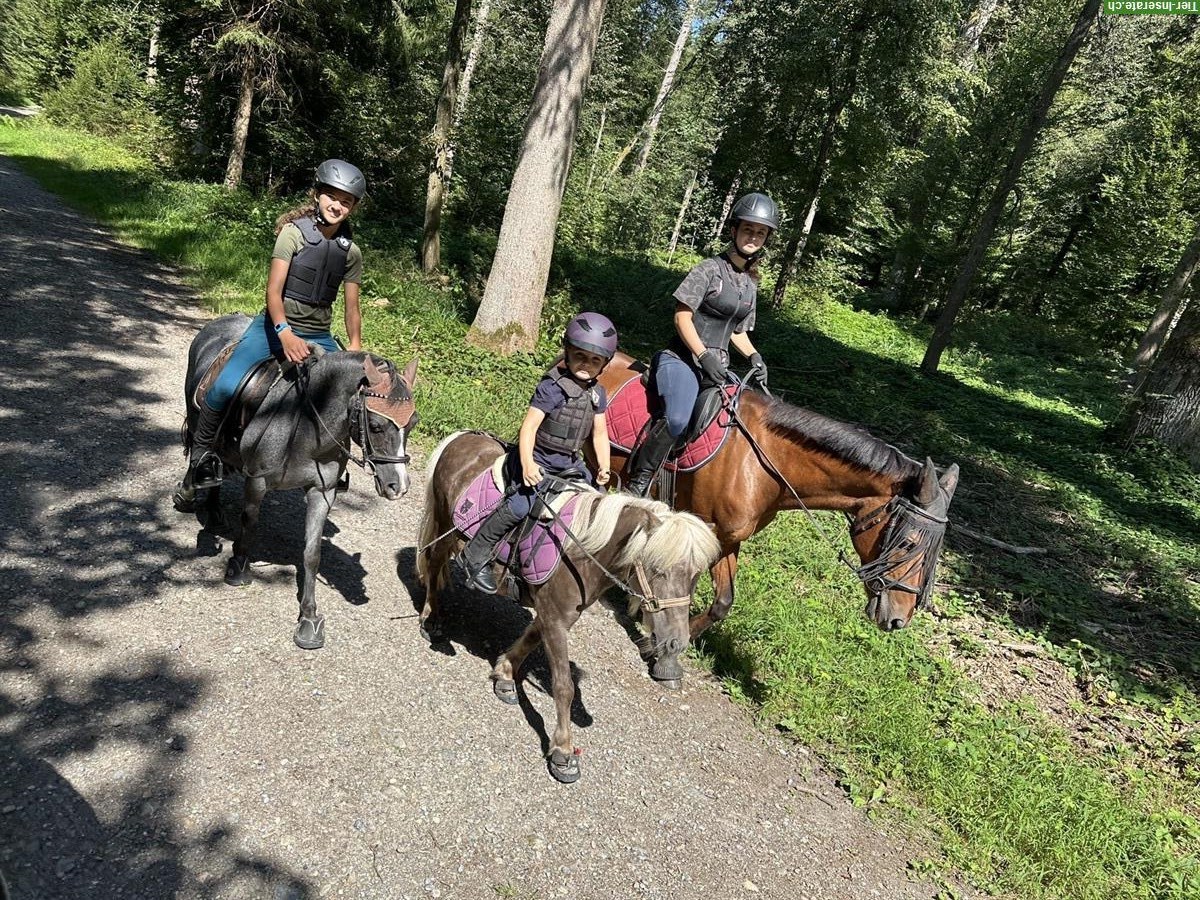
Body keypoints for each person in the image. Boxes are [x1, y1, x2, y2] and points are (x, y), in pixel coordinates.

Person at [178, 159, 368, 496]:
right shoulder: (292, 235)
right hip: (274, 326)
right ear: (318, 195)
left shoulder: (350, 253)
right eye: (332, 197)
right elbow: (273, 292)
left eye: (346, 201)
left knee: (351, 395)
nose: (337, 205)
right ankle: (202, 457)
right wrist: (284, 333)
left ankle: (332, 464)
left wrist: (355, 346)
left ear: (352, 207)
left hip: (319, 334)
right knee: (224, 386)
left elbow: (352, 308)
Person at [624, 192, 779, 497]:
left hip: (716, 368)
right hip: (682, 359)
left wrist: (754, 356)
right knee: (678, 417)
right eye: (748, 229)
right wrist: (703, 354)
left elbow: (737, 330)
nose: (753, 237)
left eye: (760, 232)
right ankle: (637, 481)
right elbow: (682, 318)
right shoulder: (708, 270)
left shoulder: (750, 283)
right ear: (734, 230)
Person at [459, 312, 618, 594]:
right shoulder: (551, 388)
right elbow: (529, 427)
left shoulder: (597, 394)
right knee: (520, 505)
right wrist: (528, 463)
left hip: (570, 464)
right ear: (567, 352)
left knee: (599, 506)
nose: (586, 365)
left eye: (595, 361)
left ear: (604, 365)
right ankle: (475, 553)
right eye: (580, 355)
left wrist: (603, 466)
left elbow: (600, 433)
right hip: (540, 460)